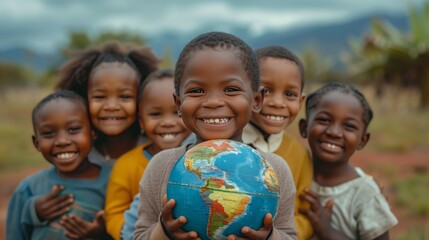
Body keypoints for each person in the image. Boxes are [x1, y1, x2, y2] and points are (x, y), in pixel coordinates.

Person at [134, 32, 297, 240]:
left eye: (230, 89)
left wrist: (269, 236)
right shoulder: (161, 166)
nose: (213, 102)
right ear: (179, 104)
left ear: (256, 100)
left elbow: (290, 235)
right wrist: (164, 232)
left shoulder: (275, 170)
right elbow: (139, 235)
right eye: (196, 91)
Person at [6, 90, 111, 239]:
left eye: (73, 129)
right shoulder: (28, 189)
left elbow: (131, 231)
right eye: (49, 133)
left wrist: (102, 232)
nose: (62, 141)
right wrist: (33, 212)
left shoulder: (114, 181)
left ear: (93, 133)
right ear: (37, 143)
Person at [298, 83, 398, 239]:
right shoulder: (293, 172)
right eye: (324, 120)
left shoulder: (365, 193)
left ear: (362, 141)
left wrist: (327, 231)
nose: (334, 132)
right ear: (304, 127)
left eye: (349, 126)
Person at [105, 69, 193, 240]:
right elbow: (113, 213)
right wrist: (128, 233)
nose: (167, 122)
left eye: (176, 112)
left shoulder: (200, 159)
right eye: (155, 114)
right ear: (141, 121)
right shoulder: (126, 164)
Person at [242, 45, 313, 239]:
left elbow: (306, 216)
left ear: (300, 101)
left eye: (289, 94)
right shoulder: (222, 146)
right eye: (266, 91)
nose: (278, 103)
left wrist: (276, 233)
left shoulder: (300, 153)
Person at [56, 41, 159, 167]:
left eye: (125, 96)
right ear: (84, 99)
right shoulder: (77, 155)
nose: (111, 106)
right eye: (99, 97)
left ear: (141, 100)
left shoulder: (156, 152)